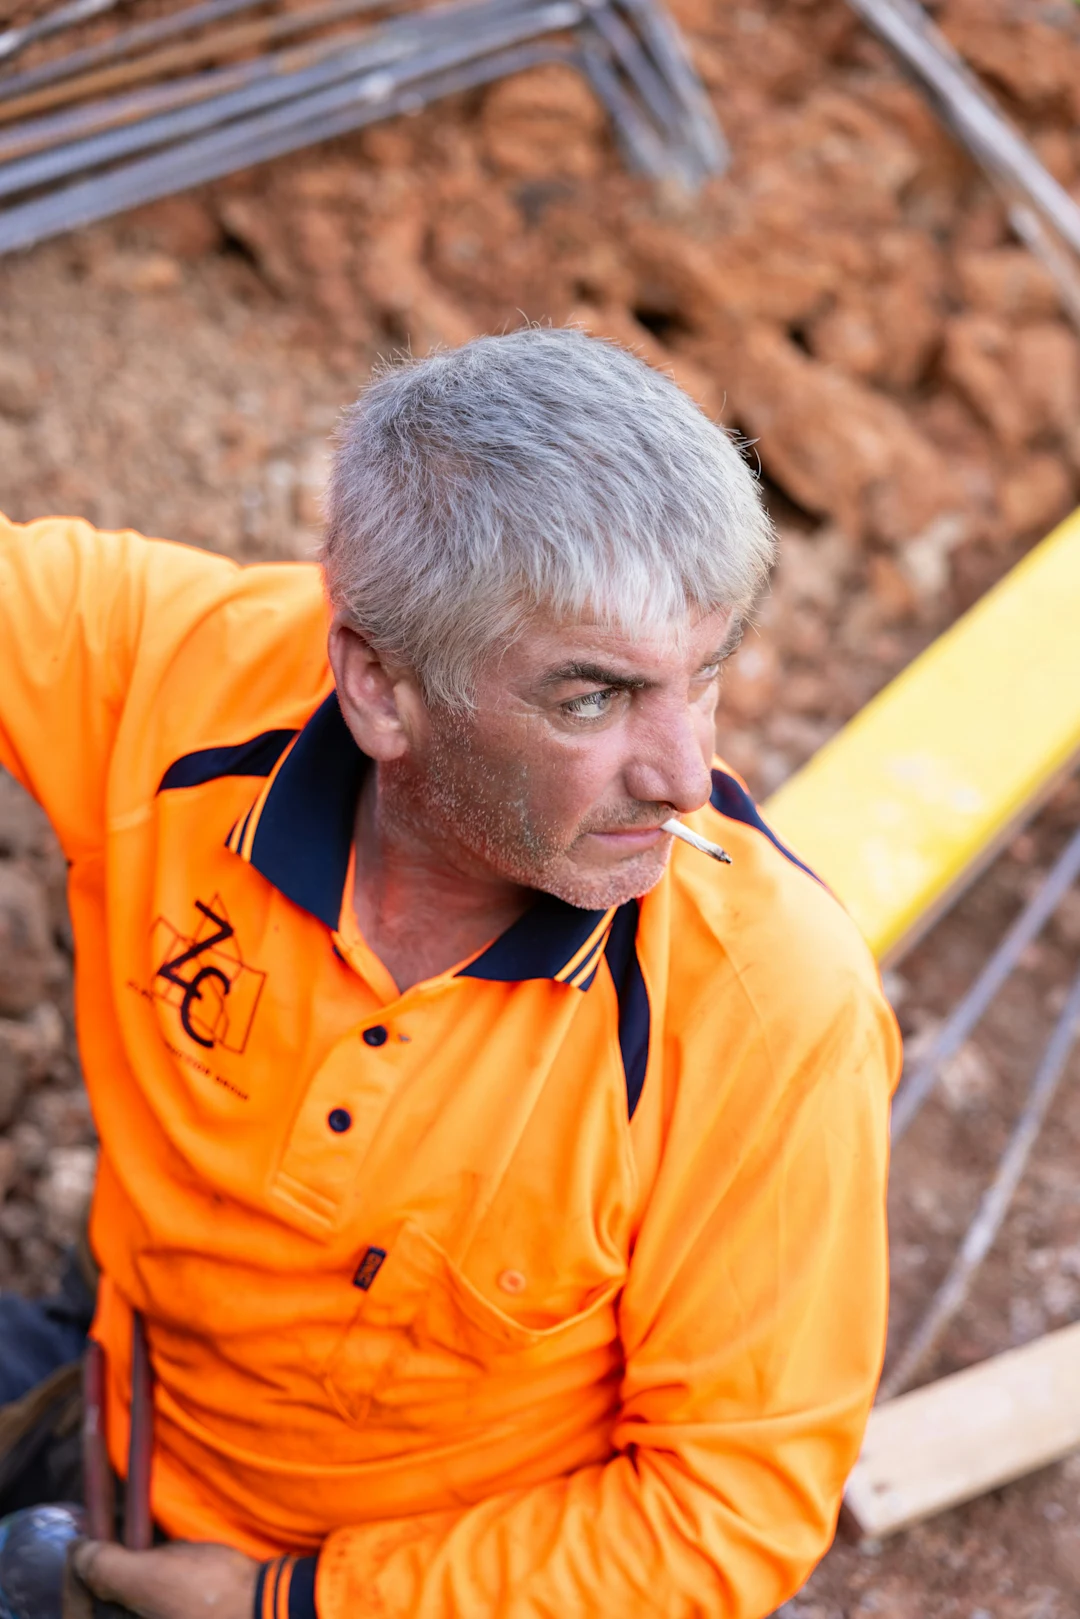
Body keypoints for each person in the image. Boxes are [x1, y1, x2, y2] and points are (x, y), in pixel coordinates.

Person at [0, 326, 899, 1619]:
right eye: (593, 698)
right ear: (377, 686)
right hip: (120, 1416)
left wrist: (280, 1602)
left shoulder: (763, 1009)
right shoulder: (182, 690)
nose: (686, 771)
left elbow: (723, 1516)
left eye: (705, 673)